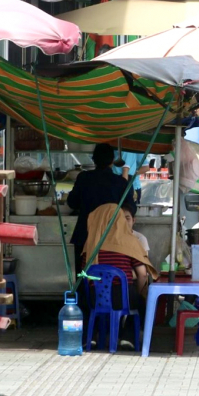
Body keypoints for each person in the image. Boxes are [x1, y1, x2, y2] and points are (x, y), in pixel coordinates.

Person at [83, 204, 157, 347]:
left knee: (86, 302)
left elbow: (85, 273)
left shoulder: (90, 243)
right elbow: (142, 274)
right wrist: (141, 293)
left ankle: (90, 337)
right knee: (143, 303)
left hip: (95, 297)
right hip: (122, 298)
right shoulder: (130, 241)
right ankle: (128, 338)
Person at [68, 143, 137, 269]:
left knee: (84, 277)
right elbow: (132, 208)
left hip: (85, 235)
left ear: (93, 160)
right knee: (110, 275)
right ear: (112, 161)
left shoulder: (83, 178)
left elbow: (72, 202)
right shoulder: (121, 182)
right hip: (112, 237)